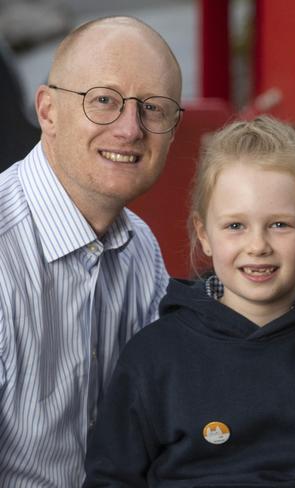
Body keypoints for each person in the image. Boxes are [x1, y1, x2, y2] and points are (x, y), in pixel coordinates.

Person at [83, 116, 295, 487]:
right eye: (235, 226)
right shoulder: (156, 356)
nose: (257, 245)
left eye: (280, 225)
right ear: (204, 234)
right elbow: (111, 478)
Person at [0, 16, 181, 488]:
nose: (130, 129)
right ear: (48, 110)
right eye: (104, 100)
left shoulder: (140, 248)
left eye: (154, 109)